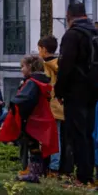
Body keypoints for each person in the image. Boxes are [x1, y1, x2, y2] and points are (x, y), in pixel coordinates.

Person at [56, 2, 98, 186]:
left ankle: (82, 177)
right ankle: (88, 174)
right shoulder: (95, 33)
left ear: (69, 16)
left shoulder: (72, 35)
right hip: (93, 90)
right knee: (88, 133)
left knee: (77, 134)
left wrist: (59, 90)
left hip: (75, 91)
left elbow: (65, 65)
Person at [0, 54, 59, 182]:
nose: (21, 69)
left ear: (30, 67)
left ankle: (33, 173)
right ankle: (36, 171)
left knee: (32, 146)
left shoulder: (31, 83)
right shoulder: (42, 81)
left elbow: (25, 98)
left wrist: (13, 103)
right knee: (35, 147)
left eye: (23, 66)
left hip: (31, 120)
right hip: (40, 119)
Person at [37, 35, 65, 176]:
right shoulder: (60, 64)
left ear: (44, 49)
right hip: (58, 107)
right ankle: (53, 166)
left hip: (49, 107)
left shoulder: (46, 66)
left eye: (39, 49)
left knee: (51, 137)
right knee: (56, 137)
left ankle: (51, 165)